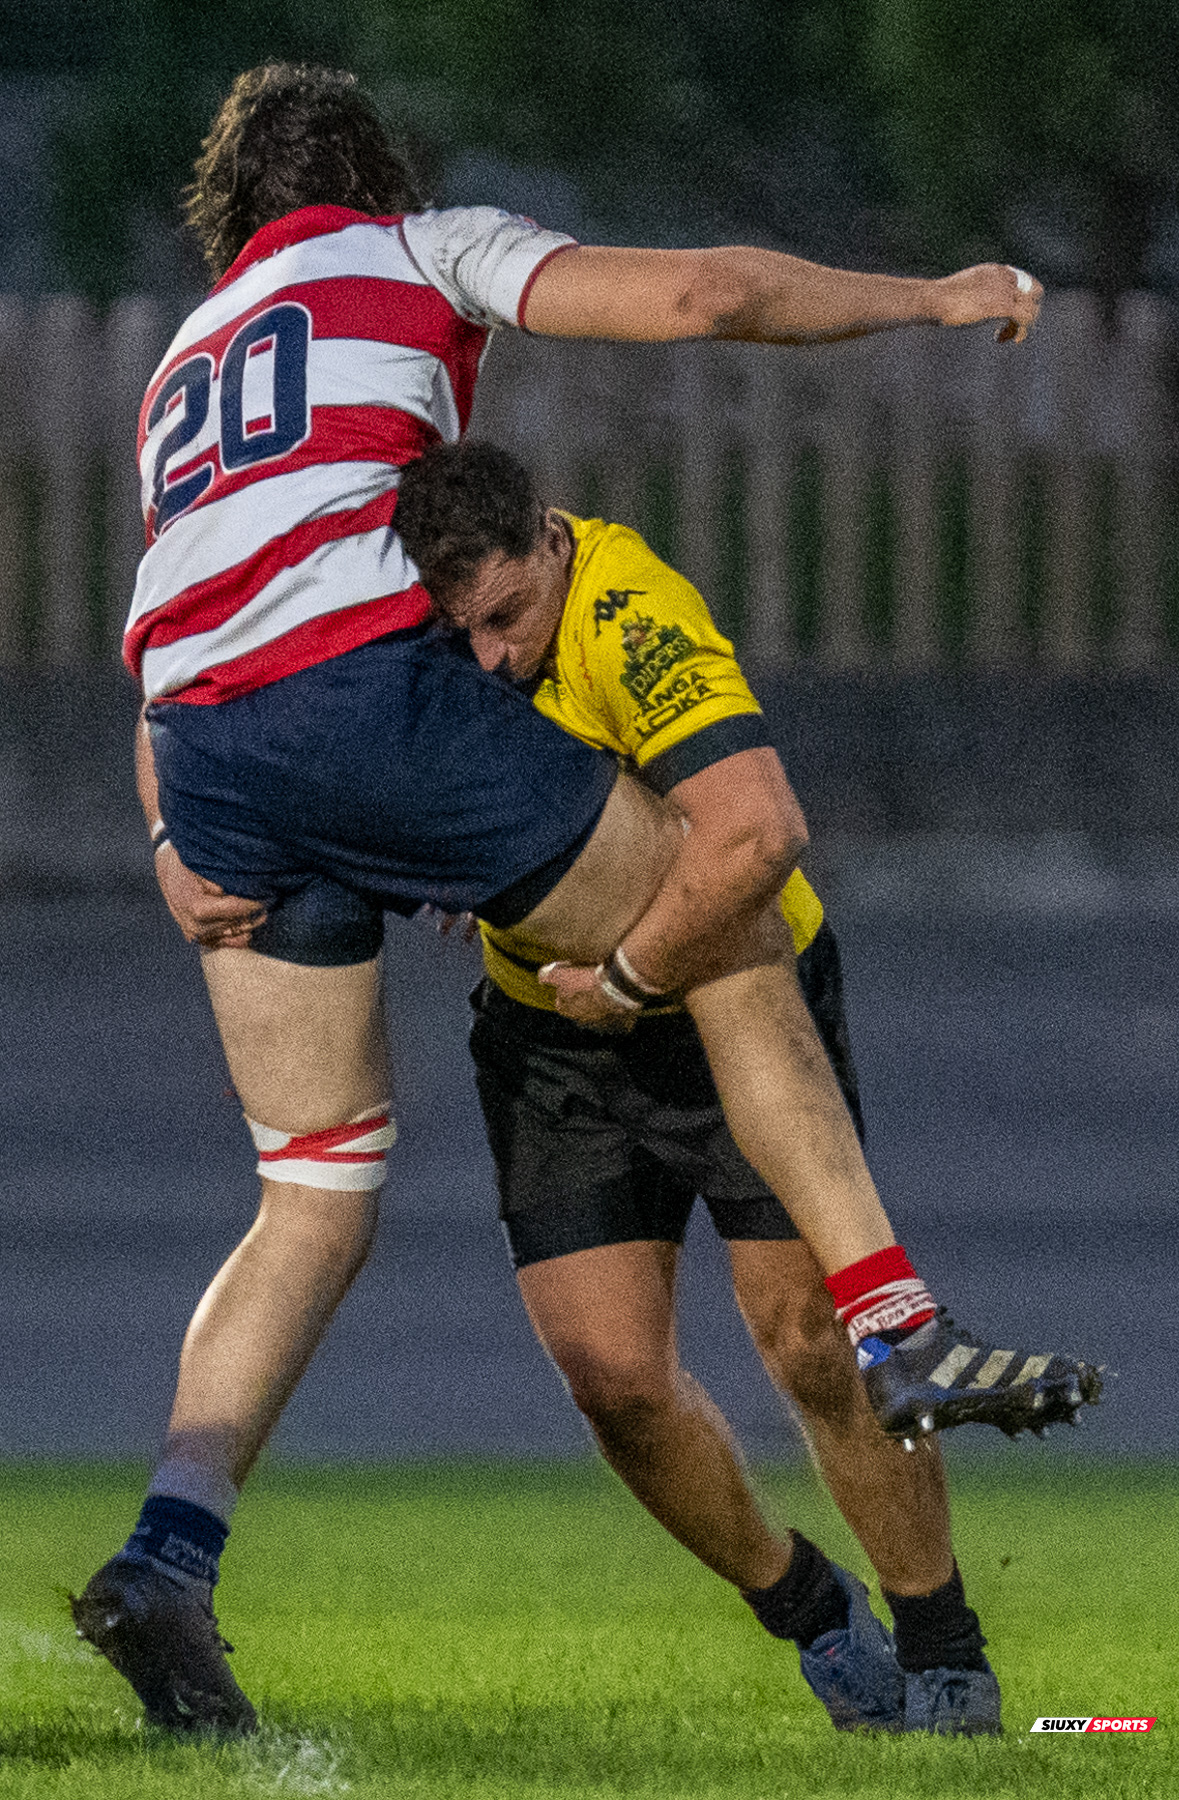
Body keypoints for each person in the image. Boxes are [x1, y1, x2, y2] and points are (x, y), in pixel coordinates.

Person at [70, 62, 1096, 1739]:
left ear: (227, 222)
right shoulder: (413, 251)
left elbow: (183, 621)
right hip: (355, 700)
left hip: (206, 760)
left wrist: (167, 838)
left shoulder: (183, 365)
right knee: (731, 897)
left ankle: (170, 1550)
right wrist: (934, 294)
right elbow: (705, 295)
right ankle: (898, 1323)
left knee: (313, 1185)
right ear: (375, 183)